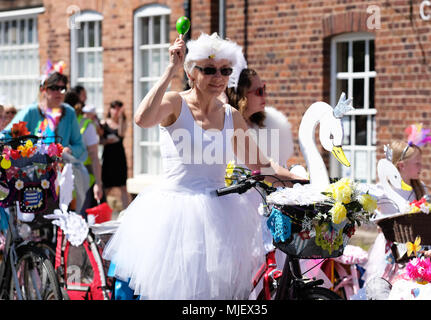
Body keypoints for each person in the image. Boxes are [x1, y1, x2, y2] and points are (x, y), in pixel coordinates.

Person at [103, 33, 304, 300]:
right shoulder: (176, 102)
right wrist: (170, 69)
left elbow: (261, 164)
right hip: (172, 214)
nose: (218, 77)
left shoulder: (231, 116)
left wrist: (302, 181)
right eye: (209, 69)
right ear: (191, 72)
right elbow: (142, 118)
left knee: (214, 293)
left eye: (225, 70)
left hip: (220, 213)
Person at [364, 139, 428, 284]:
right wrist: (379, 221)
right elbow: (369, 213)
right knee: (385, 285)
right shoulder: (383, 189)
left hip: (415, 245)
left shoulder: (421, 188)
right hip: (389, 248)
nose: (421, 167)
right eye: (417, 163)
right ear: (401, 166)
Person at [1, 72, 86, 161]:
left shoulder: (69, 113)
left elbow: (79, 146)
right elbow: (6, 135)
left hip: (61, 169)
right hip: (32, 169)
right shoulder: (31, 112)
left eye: (63, 89)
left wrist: (70, 150)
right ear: (43, 89)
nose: (59, 92)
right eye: (54, 88)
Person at [64, 90, 104, 217]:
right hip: (59, 181)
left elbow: (94, 156)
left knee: (78, 222)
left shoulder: (86, 125)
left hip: (81, 180)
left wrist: (98, 183)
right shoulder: (54, 124)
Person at [100, 100, 130, 210]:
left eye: (118, 108)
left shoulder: (123, 122)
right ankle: (102, 211)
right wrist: (106, 141)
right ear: (110, 109)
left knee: (123, 186)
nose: (115, 111)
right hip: (108, 157)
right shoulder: (104, 123)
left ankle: (127, 212)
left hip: (119, 157)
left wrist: (122, 117)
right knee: (106, 187)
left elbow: (121, 133)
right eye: (114, 108)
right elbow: (99, 141)